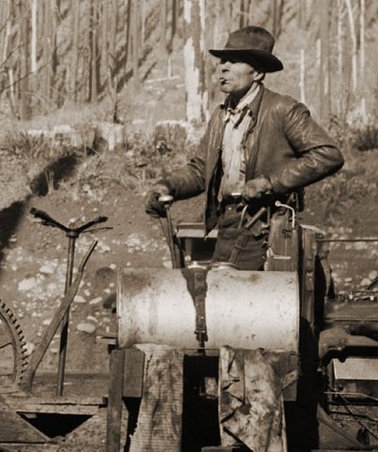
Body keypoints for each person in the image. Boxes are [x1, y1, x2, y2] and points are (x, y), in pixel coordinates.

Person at [146, 26, 343, 270]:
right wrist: (167, 186)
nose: (224, 67)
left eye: (235, 61)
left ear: (258, 72)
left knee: (237, 297)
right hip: (229, 224)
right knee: (221, 296)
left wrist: (269, 183)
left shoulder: (283, 110)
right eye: (222, 61)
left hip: (266, 227)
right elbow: (200, 170)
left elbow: (328, 154)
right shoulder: (220, 116)